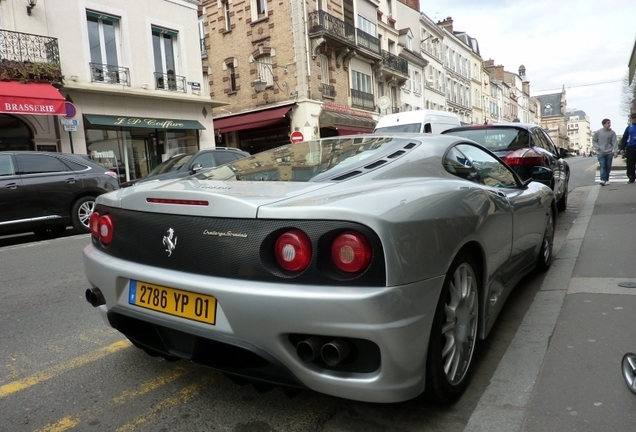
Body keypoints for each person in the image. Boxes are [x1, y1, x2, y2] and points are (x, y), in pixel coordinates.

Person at [592, 118, 618, 186]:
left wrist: (615, 152)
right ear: (604, 124)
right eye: (608, 123)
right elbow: (594, 141)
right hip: (600, 152)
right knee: (603, 165)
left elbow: (615, 142)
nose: (609, 124)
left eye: (610, 123)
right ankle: (603, 180)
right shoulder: (598, 132)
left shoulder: (612, 133)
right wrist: (598, 147)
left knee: (608, 166)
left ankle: (607, 179)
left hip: (609, 152)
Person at [620, 113, 636, 183]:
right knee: (630, 163)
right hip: (631, 147)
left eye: (635, 118)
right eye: (633, 118)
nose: (634, 119)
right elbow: (625, 138)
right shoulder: (629, 127)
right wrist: (622, 148)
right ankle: (631, 177)